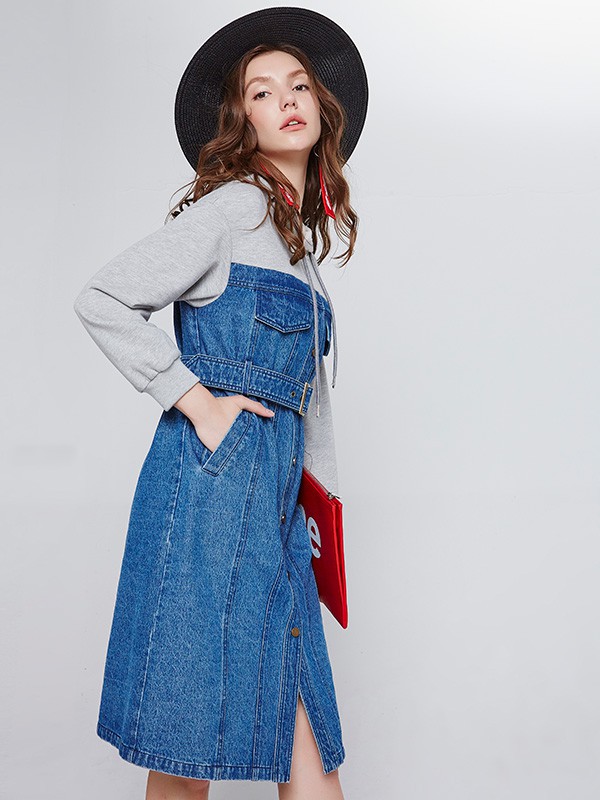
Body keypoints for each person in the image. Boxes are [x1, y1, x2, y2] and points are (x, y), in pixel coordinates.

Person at [73, 8, 368, 799]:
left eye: (299, 85)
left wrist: (317, 510)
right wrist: (197, 403)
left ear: (322, 106)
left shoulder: (296, 242)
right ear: (242, 120)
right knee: (187, 742)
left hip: (275, 505)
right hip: (208, 494)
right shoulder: (235, 208)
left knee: (306, 733)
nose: (288, 100)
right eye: (263, 92)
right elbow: (103, 298)